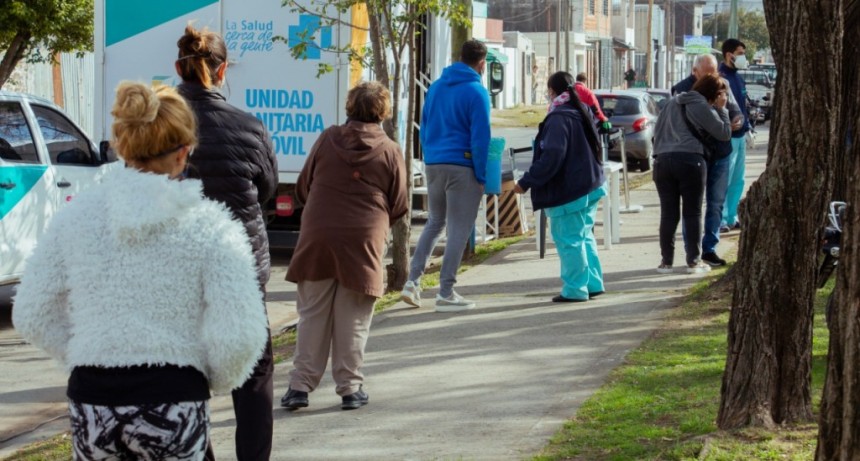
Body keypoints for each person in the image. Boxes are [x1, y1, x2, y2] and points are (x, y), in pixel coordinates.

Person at [12, 81, 269, 461]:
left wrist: (88, 353)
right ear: (184, 152)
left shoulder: (74, 218)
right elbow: (241, 335)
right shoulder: (212, 227)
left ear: (121, 145)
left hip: (93, 400)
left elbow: (31, 313)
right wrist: (209, 378)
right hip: (174, 398)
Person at [175, 24, 278, 461]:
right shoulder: (249, 127)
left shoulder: (157, 128)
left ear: (178, 68)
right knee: (253, 375)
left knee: (185, 374)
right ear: (223, 71)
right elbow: (267, 190)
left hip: (177, 271)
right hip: (241, 269)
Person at [280, 81, 408, 411]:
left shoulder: (327, 138)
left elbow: (303, 187)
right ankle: (350, 389)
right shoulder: (390, 149)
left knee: (312, 314)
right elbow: (400, 203)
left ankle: (299, 387)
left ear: (350, 106)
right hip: (364, 240)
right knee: (353, 317)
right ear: (383, 112)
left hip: (319, 236)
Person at [399, 39, 491, 312]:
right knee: (459, 230)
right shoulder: (477, 91)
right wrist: (481, 175)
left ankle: (412, 282)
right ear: (482, 63)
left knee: (435, 222)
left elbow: (425, 127)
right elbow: (481, 138)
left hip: (434, 163)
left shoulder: (436, 87)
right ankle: (446, 292)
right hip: (462, 165)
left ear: (460, 57)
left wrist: (431, 156)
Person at [514, 71, 607, 302]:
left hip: (570, 190)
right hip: (590, 184)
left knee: (569, 240)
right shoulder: (580, 110)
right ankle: (592, 283)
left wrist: (526, 182)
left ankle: (575, 289)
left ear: (552, 91)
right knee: (584, 236)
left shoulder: (558, 118)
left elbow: (552, 156)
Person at [652, 74, 732, 274]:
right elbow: (723, 133)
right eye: (721, 94)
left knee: (668, 213)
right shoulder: (701, 105)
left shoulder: (672, 102)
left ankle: (666, 262)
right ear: (714, 94)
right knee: (692, 212)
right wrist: (722, 110)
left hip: (662, 161)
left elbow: (656, 132)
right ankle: (694, 261)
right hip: (690, 160)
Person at [671, 54, 744, 267]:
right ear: (695, 71)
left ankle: (710, 248)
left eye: (715, 72)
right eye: (707, 72)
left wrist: (737, 119)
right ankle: (692, 251)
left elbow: (735, 111)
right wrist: (720, 114)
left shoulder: (724, 85)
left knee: (716, 203)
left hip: (720, 153)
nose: (713, 76)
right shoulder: (682, 90)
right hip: (696, 155)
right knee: (692, 206)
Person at [718, 38, 751, 232]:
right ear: (729, 55)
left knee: (738, 180)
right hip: (727, 136)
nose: (743, 57)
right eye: (740, 54)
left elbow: (743, 105)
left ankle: (732, 216)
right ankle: (720, 218)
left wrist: (748, 127)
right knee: (725, 179)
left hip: (741, 135)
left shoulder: (738, 78)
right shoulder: (720, 78)